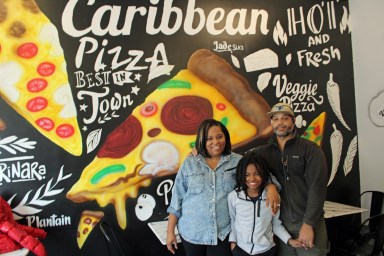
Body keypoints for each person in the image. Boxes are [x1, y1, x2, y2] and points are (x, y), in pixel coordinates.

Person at [166, 119, 279, 256]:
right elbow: (176, 200)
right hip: (192, 231)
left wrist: (271, 186)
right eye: (209, 138)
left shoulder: (238, 161)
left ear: (225, 137)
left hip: (223, 233)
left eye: (219, 136)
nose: (215, 142)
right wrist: (170, 232)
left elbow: (259, 175)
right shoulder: (190, 163)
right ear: (202, 140)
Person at [250, 102, 329, 256]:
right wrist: (269, 184)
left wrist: (308, 224)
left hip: (308, 223)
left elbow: (317, 188)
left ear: (293, 121)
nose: (280, 123)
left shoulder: (311, 150)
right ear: (271, 123)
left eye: (285, 118)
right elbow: (238, 164)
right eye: (275, 119)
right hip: (279, 225)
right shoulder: (262, 152)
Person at [228, 152, 301, 256]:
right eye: (247, 175)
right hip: (241, 250)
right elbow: (233, 221)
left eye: (257, 174)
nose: (252, 178)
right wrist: (233, 244)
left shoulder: (273, 197)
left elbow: (276, 224)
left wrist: (289, 240)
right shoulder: (233, 197)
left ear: (264, 174)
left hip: (266, 251)